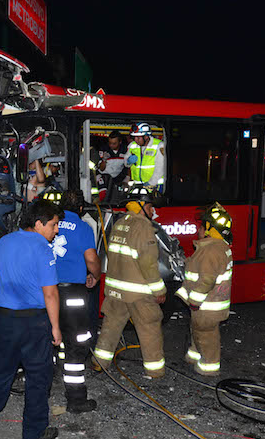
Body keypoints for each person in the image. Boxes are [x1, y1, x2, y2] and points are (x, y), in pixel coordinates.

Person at [0, 200, 63, 439]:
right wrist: (55, 327)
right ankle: (33, 433)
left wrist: (4, 305)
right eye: (54, 225)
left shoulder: (4, 241)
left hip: (6, 318)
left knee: (1, 371)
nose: (56, 230)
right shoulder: (42, 248)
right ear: (38, 224)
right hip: (34, 322)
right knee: (38, 377)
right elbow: (50, 294)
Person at [93, 184, 168, 378]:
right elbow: (149, 263)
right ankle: (155, 371)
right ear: (141, 205)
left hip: (115, 289)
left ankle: (99, 362)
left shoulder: (120, 222)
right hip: (137, 292)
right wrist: (159, 290)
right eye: (150, 206)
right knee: (150, 327)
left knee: (111, 327)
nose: (153, 210)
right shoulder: (143, 226)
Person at [53, 190, 101, 414]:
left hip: (48, 291)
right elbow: (91, 259)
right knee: (76, 343)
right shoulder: (82, 228)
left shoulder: (50, 223)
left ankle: (45, 385)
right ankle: (76, 399)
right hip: (73, 293)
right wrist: (96, 275)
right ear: (81, 208)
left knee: (51, 337)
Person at [176, 202, 234, 376]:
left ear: (209, 229)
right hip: (210, 305)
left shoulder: (210, 251)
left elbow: (206, 279)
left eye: (201, 227)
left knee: (207, 335)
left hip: (206, 306)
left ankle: (209, 366)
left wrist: (194, 300)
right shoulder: (218, 247)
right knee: (198, 329)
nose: (198, 230)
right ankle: (194, 355)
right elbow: (203, 269)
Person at [127, 123, 166, 190]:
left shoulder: (159, 145)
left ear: (146, 137)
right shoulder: (132, 145)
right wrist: (128, 161)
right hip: (137, 187)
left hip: (155, 186)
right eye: (134, 137)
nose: (136, 140)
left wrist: (151, 183)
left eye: (138, 137)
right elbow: (126, 163)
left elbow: (160, 168)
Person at [96, 130, 131, 201]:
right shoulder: (104, 149)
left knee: (120, 197)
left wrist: (127, 179)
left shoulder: (125, 150)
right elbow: (101, 169)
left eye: (114, 143)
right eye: (110, 143)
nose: (111, 145)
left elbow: (128, 166)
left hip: (118, 177)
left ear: (120, 142)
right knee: (103, 197)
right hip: (104, 175)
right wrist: (104, 160)